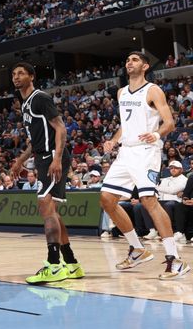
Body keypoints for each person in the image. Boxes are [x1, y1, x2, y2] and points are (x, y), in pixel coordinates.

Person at [99, 52, 190, 280]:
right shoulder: (121, 92)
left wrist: (156, 134)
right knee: (107, 199)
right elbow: (125, 125)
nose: (130, 62)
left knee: (149, 201)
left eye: (135, 60)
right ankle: (137, 249)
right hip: (126, 151)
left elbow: (169, 122)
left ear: (146, 66)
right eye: (127, 60)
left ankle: (175, 260)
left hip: (146, 151)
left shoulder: (152, 90)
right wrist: (114, 140)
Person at [10, 62, 84, 283]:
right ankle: (71, 264)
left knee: (45, 207)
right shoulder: (25, 104)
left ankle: (53, 265)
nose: (16, 77)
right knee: (52, 211)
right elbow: (35, 141)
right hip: (43, 157)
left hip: (52, 157)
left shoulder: (40, 97)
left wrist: (58, 158)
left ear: (31, 76)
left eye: (21, 73)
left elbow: (60, 127)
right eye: (13, 74)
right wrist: (20, 160)